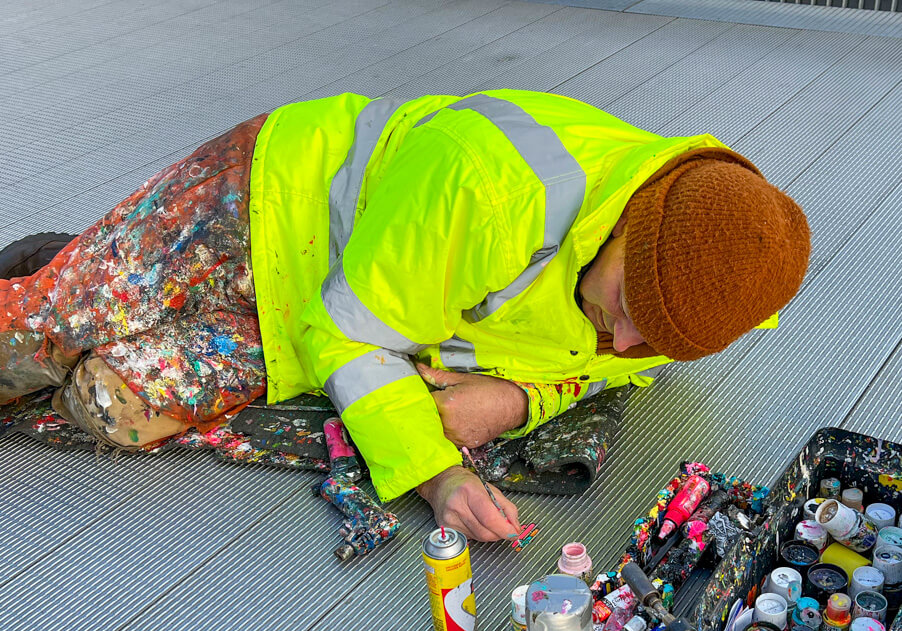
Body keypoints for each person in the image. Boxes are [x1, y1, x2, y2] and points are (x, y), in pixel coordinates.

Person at [0, 90, 810, 541]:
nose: (626, 345)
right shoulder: (485, 184)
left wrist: (522, 399)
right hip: (272, 202)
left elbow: (605, 363)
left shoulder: (696, 296)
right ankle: (70, 270)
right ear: (632, 218)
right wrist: (436, 472)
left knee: (107, 404)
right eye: (629, 309)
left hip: (313, 314)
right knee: (29, 341)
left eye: (656, 340)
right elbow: (346, 332)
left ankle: (98, 272)